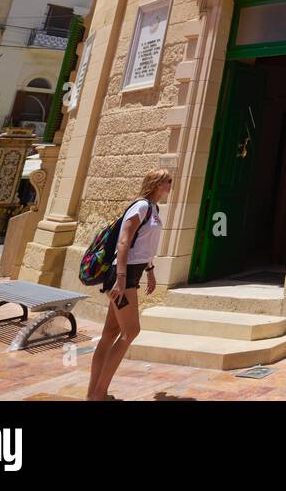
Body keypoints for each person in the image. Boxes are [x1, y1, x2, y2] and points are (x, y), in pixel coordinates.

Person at [86, 169, 172, 401]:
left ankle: (93, 392)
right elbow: (124, 242)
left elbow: (145, 245)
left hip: (133, 273)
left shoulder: (154, 209)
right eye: (165, 181)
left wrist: (151, 272)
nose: (169, 185)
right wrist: (122, 280)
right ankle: (100, 392)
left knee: (110, 333)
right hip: (123, 275)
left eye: (169, 181)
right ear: (154, 183)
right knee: (131, 331)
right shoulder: (140, 207)